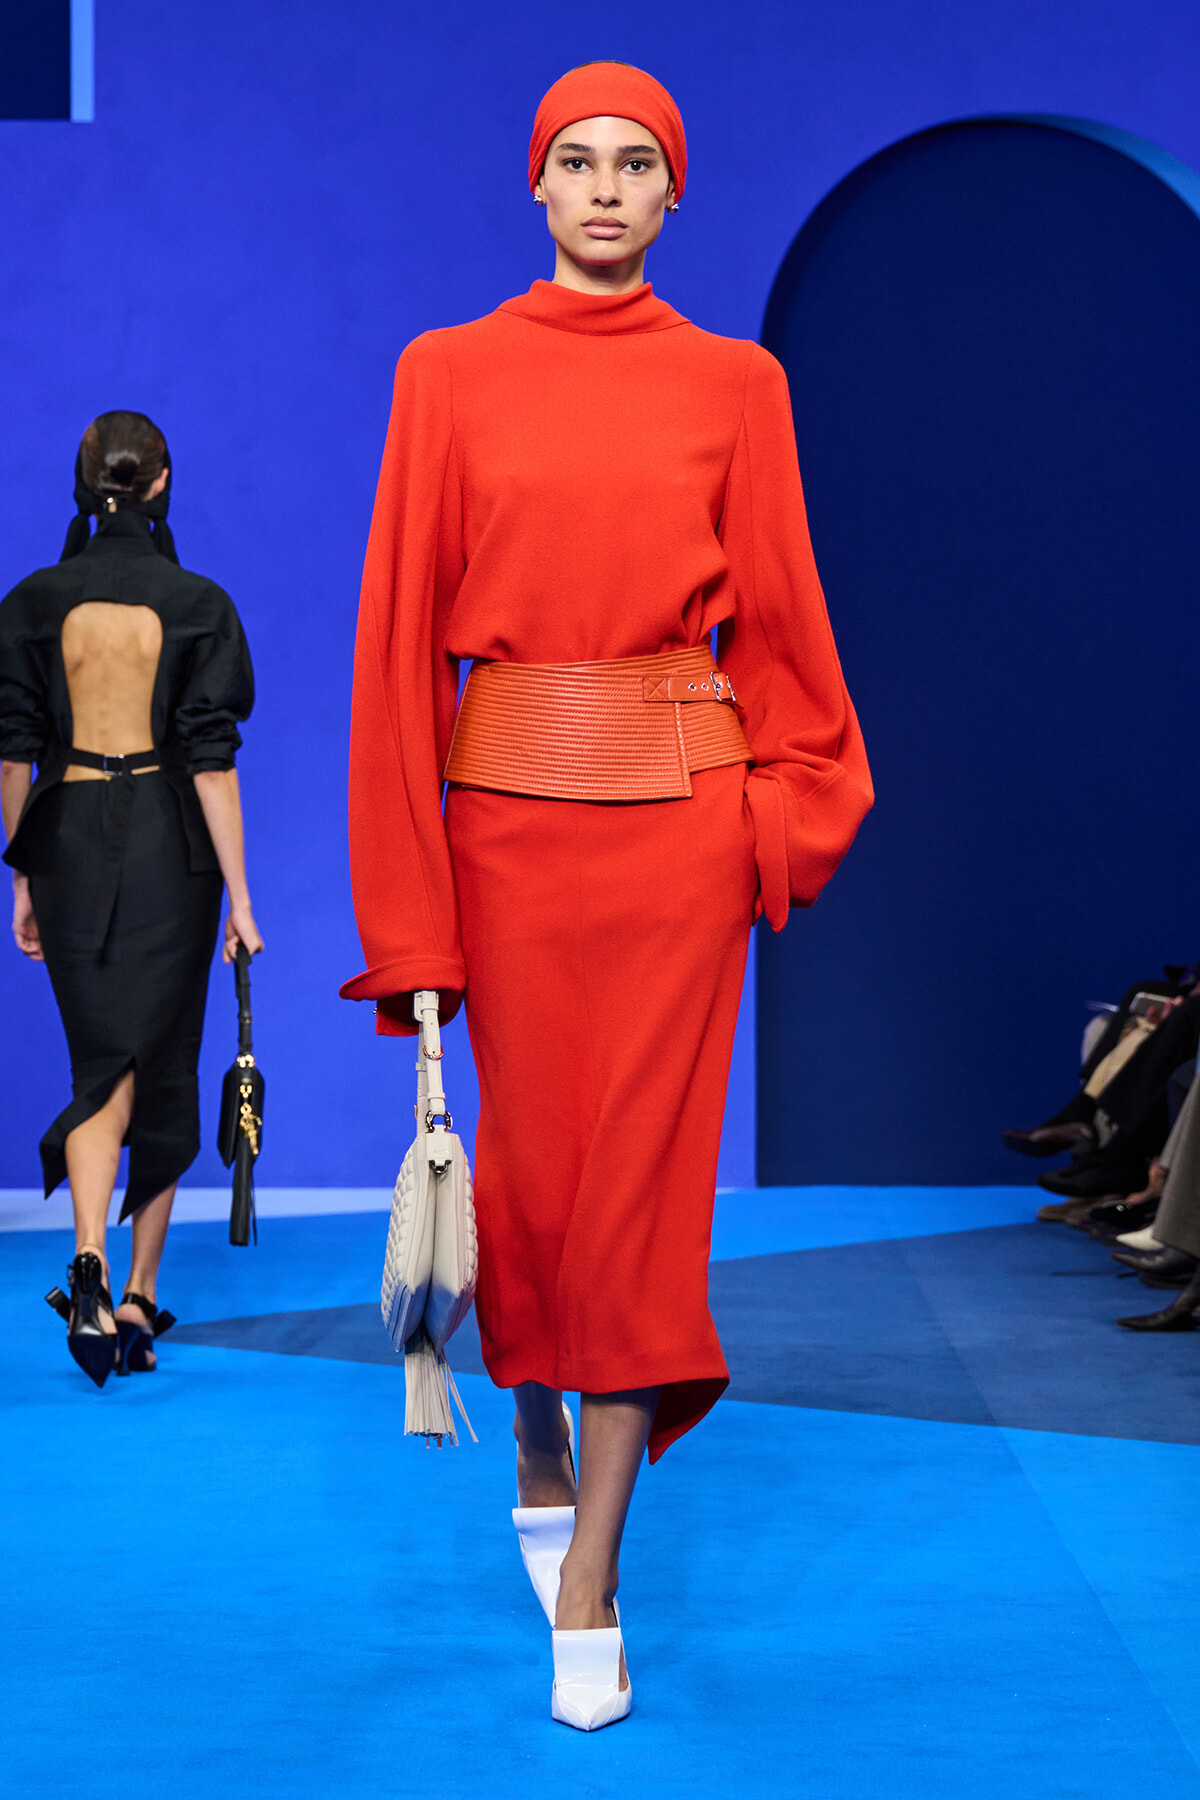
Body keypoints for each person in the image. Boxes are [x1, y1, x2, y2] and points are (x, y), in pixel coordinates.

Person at [341, 63, 872, 1729]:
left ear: (672, 190)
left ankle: (597, 1572)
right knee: (536, 1183)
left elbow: (783, 616)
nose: (605, 187)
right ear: (537, 184)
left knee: (644, 1196)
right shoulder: (449, 374)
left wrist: (779, 825)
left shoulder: (738, 382)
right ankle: (534, 1416)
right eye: (576, 160)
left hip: (677, 846)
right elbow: (391, 661)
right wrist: (410, 928)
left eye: (637, 162)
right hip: (505, 833)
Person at [0, 411, 261, 1388]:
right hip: (168, 849)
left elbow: (14, 748)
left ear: (84, 486)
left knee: (97, 1063)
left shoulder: (32, 601)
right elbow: (211, 761)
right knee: (160, 1061)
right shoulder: (196, 602)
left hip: (66, 842)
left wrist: (23, 875)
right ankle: (142, 1293)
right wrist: (240, 898)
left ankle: (92, 1268)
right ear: (160, 485)